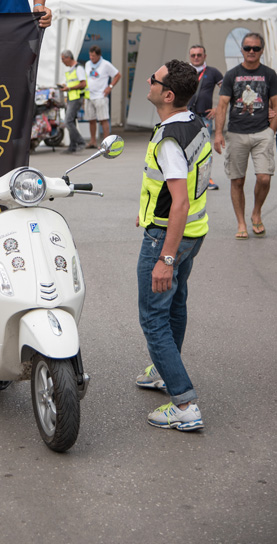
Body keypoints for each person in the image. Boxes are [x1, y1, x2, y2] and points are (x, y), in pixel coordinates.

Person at [135, 59, 211, 431]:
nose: (148, 81)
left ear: (167, 95)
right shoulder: (194, 123)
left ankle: (184, 403)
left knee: (153, 318)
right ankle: (165, 371)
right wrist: (147, 211)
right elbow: (174, 191)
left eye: (154, 79)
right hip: (192, 234)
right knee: (175, 305)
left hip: (168, 239)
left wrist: (165, 256)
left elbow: (178, 200)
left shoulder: (168, 139)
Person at [214, 32, 277, 239]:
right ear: (241, 50)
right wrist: (218, 134)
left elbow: (276, 104)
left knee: (264, 178)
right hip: (236, 133)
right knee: (237, 181)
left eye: (256, 48)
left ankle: (256, 212)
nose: (251, 52)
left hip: (262, 133)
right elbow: (222, 105)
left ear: (262, 50)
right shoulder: (232, 75)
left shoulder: (269, 74)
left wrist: (271, 130)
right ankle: (241, 223)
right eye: (248, 48)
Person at [187, 44, 223, 189]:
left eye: (199, 55)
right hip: (186, 116)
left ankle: (206, 179)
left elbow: (228, 91)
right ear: (190, 57)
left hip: (205, 117)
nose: (196, 57)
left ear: (205, 56)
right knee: (186, 148)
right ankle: (188, 179)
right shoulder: (185, 72)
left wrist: (218, 108)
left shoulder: (213, 72)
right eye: (193, 55)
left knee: (205, 149)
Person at [83, 45, 120, 147]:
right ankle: (93, 141)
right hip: (89, 95)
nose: (91, 58)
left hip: (100, 95)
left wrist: (110, 86)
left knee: (103, 119)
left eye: (94, 56)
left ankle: (106, 143)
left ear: (99, 55)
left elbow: (117, 75)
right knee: (91, 120)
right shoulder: (87, 64)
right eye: (90, 55)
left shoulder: (106, 64)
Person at [60, 50, 88, 153]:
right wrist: (66, 87)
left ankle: (81, 142)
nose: (62, 62)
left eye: (63, 59)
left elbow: (83, 84)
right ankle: (72, 146)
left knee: (68, 121)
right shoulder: (72, 69)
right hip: (72, 97)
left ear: (68, 58)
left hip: (76, 97)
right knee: (71, 121)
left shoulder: (78, 68)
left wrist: (69, 88)